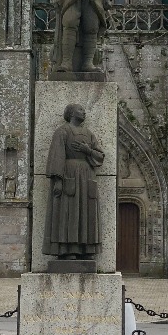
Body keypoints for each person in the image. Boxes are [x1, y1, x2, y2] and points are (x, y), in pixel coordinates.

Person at [43, 103, 104, 259]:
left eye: (84, 110)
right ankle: (68, 249)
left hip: (87, 175)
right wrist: (58, 180)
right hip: (68, 173)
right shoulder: (62, 132)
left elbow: (100, 156)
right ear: (70, 113)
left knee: (86, 212)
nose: (84, 112)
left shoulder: (89, 134)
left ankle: (87, 249)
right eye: (80, 109)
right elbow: (57, 156)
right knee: (69, 212)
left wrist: (88, 150)